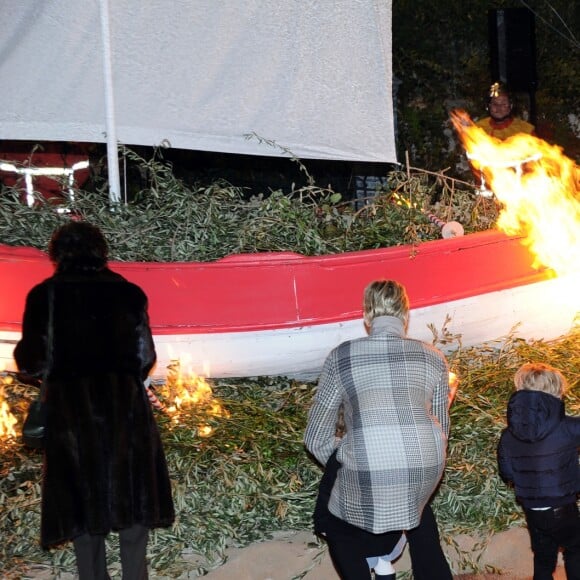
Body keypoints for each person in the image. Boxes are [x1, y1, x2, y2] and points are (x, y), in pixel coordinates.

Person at [14, 221, 175, 579]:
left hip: (72, 417)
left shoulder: (45, 296)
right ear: (102, 251)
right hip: (125, 414)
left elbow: (30, 363)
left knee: (84, 515)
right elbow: (144, 357)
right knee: (133, 512)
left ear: (56, 255)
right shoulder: (129, 293)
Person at [304, 279, 453, 579]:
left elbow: (315, 437)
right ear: (406, 315)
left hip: (370, 469)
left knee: (335, 524)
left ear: (366, 316)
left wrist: (349, 458)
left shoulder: (341, 356)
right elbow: (442, 427)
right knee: (412, 497)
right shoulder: (435, 357)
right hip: (427, 464)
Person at [497, 362, 580, 580]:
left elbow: (507, 473)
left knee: (543, 559)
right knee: (577, 549)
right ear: (557, 388)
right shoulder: (570, 427)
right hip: (562, 507)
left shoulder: (507, 435)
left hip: (532, 509)